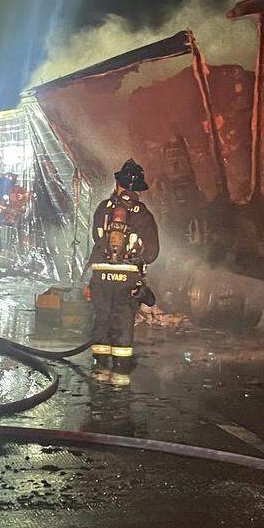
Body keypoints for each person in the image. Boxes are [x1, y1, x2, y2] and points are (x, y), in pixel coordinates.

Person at [89, 159, 159, 374]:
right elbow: (152, 253)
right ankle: (120, 373)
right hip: (127, 278)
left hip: (100, 276)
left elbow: (96, 238)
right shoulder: (143, 213)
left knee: (102, 320)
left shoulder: (103, 208)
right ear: (138, 190)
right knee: (122, 324)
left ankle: (100, 369)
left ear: (117, 184)